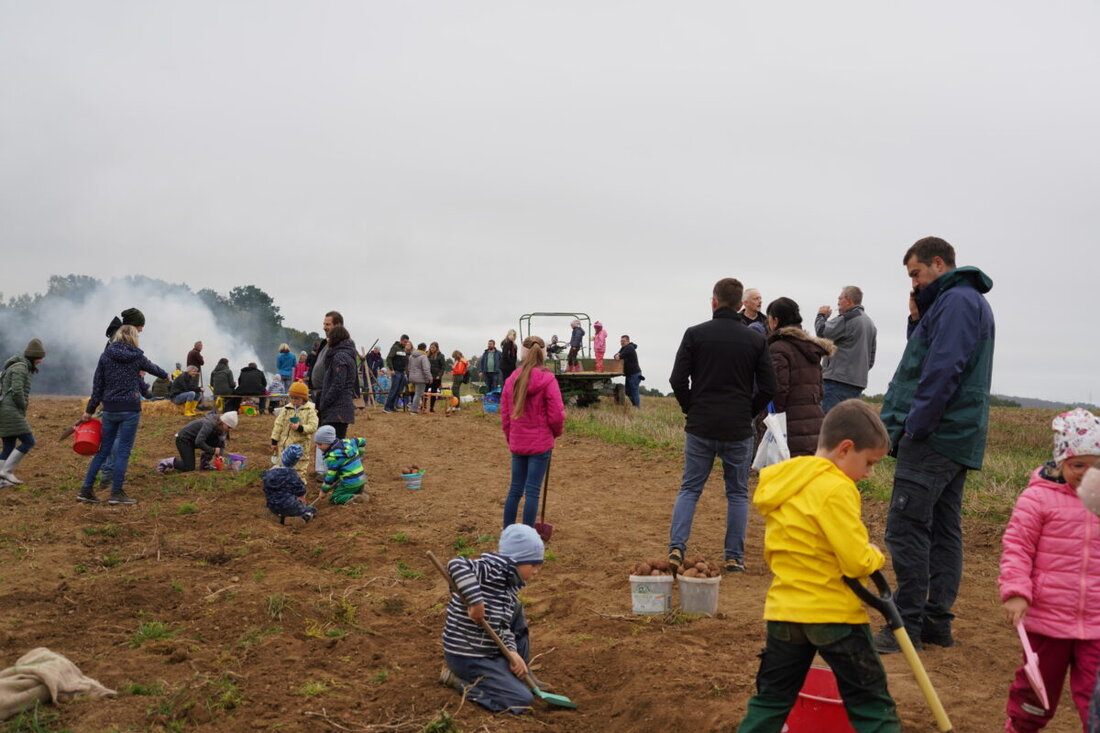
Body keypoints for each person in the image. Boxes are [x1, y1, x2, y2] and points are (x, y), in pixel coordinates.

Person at [738, 399, 899, 732]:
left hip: (784, 612)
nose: (869, 473)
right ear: (845, 449)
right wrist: (875, 554)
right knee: (871, 704)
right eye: (869, 462)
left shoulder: (784, 483)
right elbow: (855, 562)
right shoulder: (837, 489)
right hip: (833, 614)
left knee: (771, 700)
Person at [876, 236, 995, 653]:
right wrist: (918, 315)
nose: (915, 282)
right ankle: (935, 624)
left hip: (936, 435)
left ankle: (904, 626)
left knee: (907, 528)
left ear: (939, 263)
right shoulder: (951, 303)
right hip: (954, 436)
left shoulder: (959, 301)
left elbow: (943, 368)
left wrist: (915, 427)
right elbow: (925, 355)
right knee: (943, 531)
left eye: (916, 274)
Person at [999, 408, 1100, 733]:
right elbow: (1018, 547)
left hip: (1096, 623)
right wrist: (1016, 591)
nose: (1087, 473)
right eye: (1077, 465)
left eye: (1096, 465)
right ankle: (1021, 728)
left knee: (1095, 698)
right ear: (1060, 461)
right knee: (1036, 691)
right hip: (1048, 619)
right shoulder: (1038, 499)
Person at [668, 278, 777, 573]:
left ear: (714, 301)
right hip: (738, 427)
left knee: (690, 488)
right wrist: (748, 411)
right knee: (737, 493)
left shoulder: (695, 334)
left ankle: (677, 548)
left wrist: (691, 407)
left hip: (701, 425)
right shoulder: (755, 340)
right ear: (741, 304)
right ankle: (734, 557)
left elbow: (677, 380)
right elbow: (769, 386)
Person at [440, 523, 547, 714]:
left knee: (516, 608)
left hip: (488, 650)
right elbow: (455, 565)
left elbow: (503, 626)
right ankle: (458, 682)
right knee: (520, 701)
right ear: (515, 561)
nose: (536, 571)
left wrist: (512, 653)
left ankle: (521, 671)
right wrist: (475, 602)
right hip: (468, 654)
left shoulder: (509, 587)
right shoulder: (488, 570)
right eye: (533, 565)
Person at [78, 325, 169, 505]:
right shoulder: (137, 357)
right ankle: (116, 493)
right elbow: (157, 371)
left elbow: (97, 387)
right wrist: (166, 376)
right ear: (134, 337)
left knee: (103, 450)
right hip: (130, 409)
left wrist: (89, 410)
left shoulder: (105, 356)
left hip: (110, 409)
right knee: (123, 452)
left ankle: (86, 489)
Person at [501, 336, 565, 528]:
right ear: (543, 354)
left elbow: (505, 415)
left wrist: (510, 437)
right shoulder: (548, 379)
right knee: (532, 492)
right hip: (541, 444)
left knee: (515, 490)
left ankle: (508, 533)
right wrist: (555, 433)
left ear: (522, 353)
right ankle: (527, 539)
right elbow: (557, 415)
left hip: (518, 442)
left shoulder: (512, 379)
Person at [765, 297, 834, 457]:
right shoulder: (811, 348)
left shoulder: (778, 348)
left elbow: (778, 391)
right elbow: (819, 389)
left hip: (789, 426)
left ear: (775, 320)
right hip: (814, 423)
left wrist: (772, 420)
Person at [815, 286, 878, 413]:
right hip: (857, 384)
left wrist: (821, 315)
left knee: (827, 424)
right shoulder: (870, 324)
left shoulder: (848, 318)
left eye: (839, 299)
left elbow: (822, 332)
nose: (838, 303)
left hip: (836, 382)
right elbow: (870, 359)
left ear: (848, 300)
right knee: (846, 426)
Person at [0, 339, 46, 487]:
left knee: (8, 445)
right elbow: (17, 391)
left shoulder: (18, 366)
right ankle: (6, 471)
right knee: (29, 441)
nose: (40, 361)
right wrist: (23, 405)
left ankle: (1, 480)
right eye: (40, 358)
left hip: (6, 409)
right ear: (34, 357)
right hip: (11, 410)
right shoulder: (20, 368)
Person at [156, 411, 238, 473]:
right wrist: (213, 450)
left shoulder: (221, 427)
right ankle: (165, 462)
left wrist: (220, 455)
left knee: (214, 441)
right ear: (223, 422)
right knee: (189, 467)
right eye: (229, 427)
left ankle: (204, 464)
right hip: (184, 440)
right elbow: (199, 442)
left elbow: (220, 443)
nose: (229, 430)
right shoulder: (209, 424)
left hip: (194, 440)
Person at [270, 380, 319, 482]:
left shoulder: (310, 410)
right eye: (291, 397)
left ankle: (299, 492)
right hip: (283, 447)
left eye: (296, 398)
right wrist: (274, 441)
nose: (293, 400)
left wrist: (300, 428)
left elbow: (313, 426)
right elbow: (278, 424)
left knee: (299, 472)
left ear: (304, 398)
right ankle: (283, 489)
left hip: (300, 449)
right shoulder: (286, 409)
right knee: (282, 469)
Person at [317, 325, 359, 436]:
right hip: (341, 409)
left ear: (335, 338)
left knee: (331, 446)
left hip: (336, 410)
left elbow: (338, 384)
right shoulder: (348, 355)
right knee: (335, 445)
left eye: (330, 338)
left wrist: (324, 402)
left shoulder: (340, 356)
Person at [262, 444, 316, 524]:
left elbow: (265, 485)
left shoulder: (269, 473)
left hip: (272, 504)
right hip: (289, 505)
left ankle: (278, 516)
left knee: (279, 507)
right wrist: (301, 497)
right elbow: (300, 490)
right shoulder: (292, 475)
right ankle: (303, 517)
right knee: (311, 509)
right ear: (295, 461)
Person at [313, 425, 367, 505]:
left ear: (328, 442)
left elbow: (330, 478)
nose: (318, 447)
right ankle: (361, 489)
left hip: (350, 482)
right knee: (341, 483)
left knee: (334, 498)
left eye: (320, 444)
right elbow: (363, 441)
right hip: (362, 478)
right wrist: (360, 454)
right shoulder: (347, 442)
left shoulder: (333, 457)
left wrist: (323, 491)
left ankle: (354, 498)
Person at [383, 335, 410, 414]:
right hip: (396, 372)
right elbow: (389, 358)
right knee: (393, 390)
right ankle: (386, 407)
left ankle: (392, 407)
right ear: (401, 340)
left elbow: (404, 361)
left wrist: (404, 371)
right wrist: (391, 369)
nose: (405, 343)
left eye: (407, 342)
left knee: (398, 391)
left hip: (401, 372)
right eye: (405, 342)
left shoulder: (403, 350)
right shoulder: (395, 347)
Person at [614, 335, 642, 408]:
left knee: (634, 392)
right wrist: (617, 355)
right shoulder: (624, 348)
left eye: (623, 341)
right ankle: (635, 405)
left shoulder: (629, 348)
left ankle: (637, 407)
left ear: (628, 341)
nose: (622, 342)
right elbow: (615, 356)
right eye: (621, 341)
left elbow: (619, 357)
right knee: (628, 391)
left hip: (634, 374)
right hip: (629, 374)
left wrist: (618, 355)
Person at [407, 343, 432, 415]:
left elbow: (409, 368)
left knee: (416, 394)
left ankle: (414, 408)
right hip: (420, 378)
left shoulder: (411, 356)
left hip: (412, 377)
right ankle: (414, 410)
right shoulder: (423, 357)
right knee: (418, 394)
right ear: (424, 349)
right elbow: (426, 369)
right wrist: (429, 378)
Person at [426, 342, 447, 413]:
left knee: (433, 392)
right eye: (431, 347)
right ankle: (423, 406)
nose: (432, 349)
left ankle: (431, 407)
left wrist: (439, 375)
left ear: (437, 348)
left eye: (433, 348)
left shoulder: (441, 356)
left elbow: (443, 367)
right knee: (425, 391)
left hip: (436, 377)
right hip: (428, 376)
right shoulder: (427, 355)